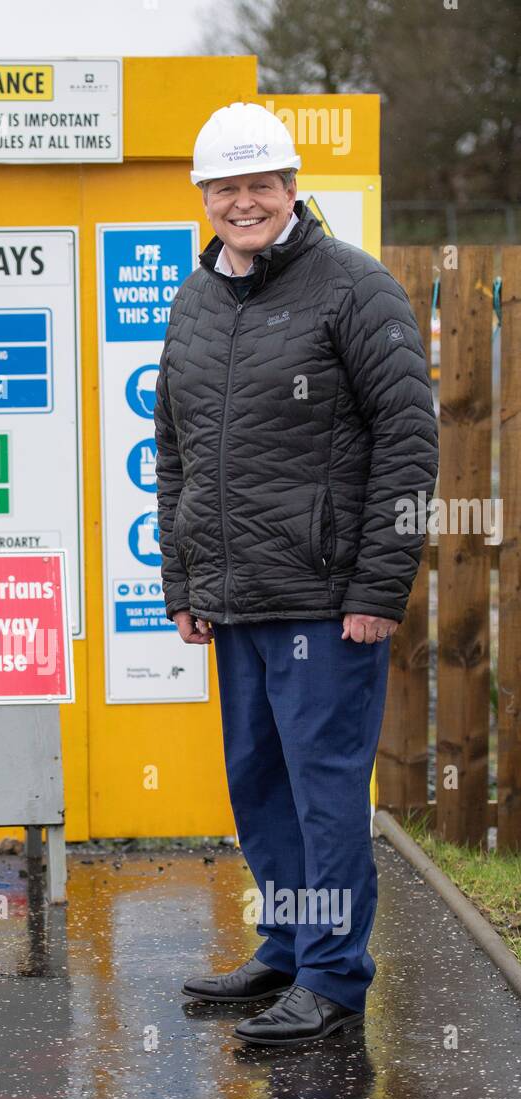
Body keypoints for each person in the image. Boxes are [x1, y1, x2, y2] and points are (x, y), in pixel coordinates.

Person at [155, 102, 438, 1045]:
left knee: (323, 796)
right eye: (225, 188)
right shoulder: (197, 299)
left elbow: (407, 444)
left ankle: (331, 978)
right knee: (259, 786)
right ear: (204, 196)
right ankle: (284, 944)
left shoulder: (355, 288)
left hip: (325, 600)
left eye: (259, 185)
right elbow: (176, 449)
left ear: (289, 189)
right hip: (234, 600)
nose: (243, 202)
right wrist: (183, 580)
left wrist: (375, 589)